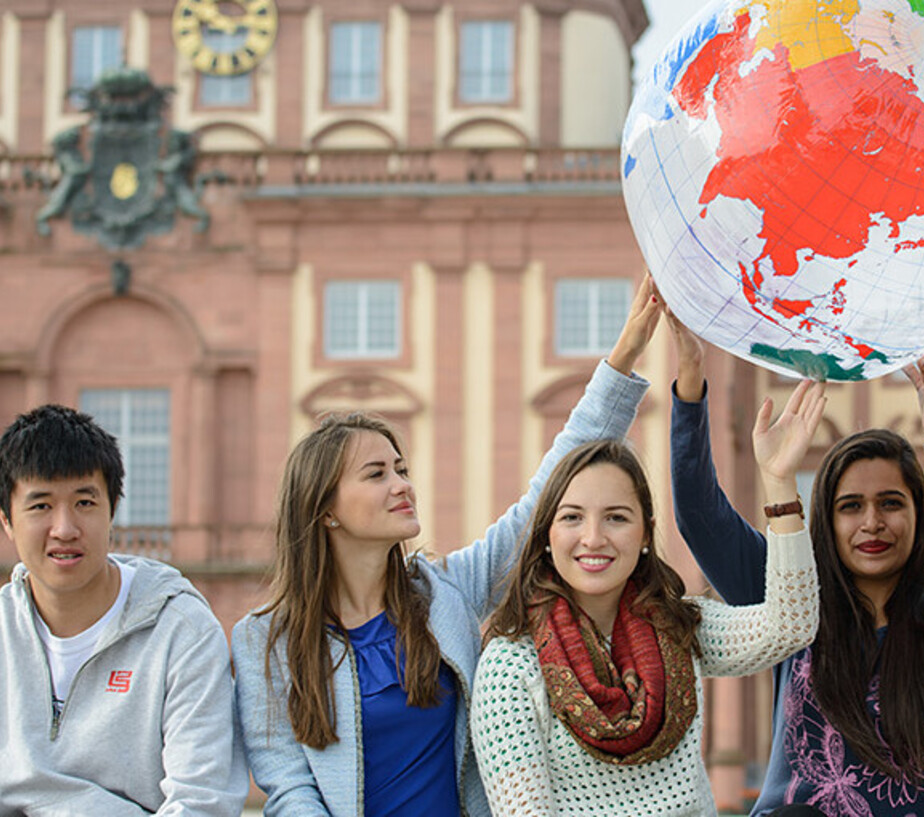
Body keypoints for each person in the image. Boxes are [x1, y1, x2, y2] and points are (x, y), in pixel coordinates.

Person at [232, 280, 661, 815]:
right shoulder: (263, 641)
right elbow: (288, 787)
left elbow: (542, 499)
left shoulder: (444, 593)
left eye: (402, 469)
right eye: (376, 474)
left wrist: (623, 356)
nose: (403, 485)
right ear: (326, 509)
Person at [668, 319, 924, 816]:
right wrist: (692, 379)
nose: (871, 523)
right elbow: (699, 516)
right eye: (850, 506)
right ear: (825, 519)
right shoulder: (797, 604)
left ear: (920, 514)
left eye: (891, 503)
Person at [470, 381, 824, 815]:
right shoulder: (511, 665)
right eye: (572, 518)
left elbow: (791, 625)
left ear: (643, 534)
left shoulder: (676, 628)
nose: (593, 538)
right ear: (547, 535)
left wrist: (781, 482)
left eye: (616, 517)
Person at [0, 404, 248, 815]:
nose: (65, 529)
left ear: (112, 510)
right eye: (40, 506)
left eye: (85, 503)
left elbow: (201, 803)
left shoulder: (182, 631)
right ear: (5, 517)